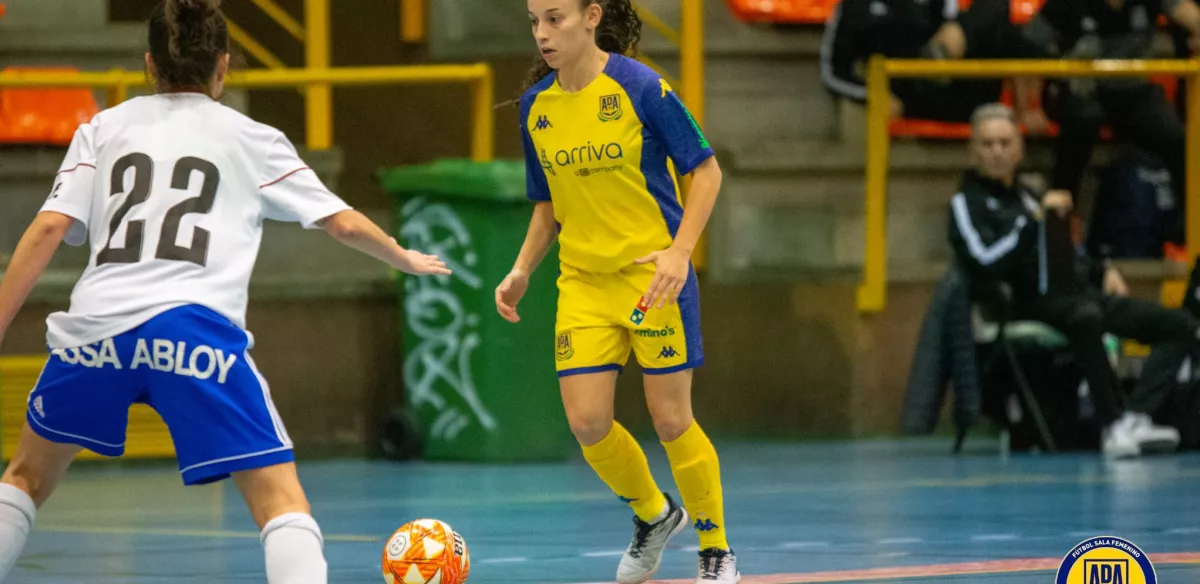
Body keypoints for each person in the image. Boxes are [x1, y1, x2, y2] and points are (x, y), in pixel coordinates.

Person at [0, 1, 450, 582]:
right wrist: (401, 255)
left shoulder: (102, 127)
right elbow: (340, 222)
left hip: (94, 334)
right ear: (224, 66)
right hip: (193, 335)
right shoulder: (252, 137)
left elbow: (48, 229)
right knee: (280, 505)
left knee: (24, 481)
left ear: (147, 64)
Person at [495, 1, 736, 582]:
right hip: (581, 283)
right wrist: (523, 267)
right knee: (587, 423)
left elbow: (706, 172)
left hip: (651, 279)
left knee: (671, 418)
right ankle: (655, 516)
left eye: (554, 18)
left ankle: (715, 550)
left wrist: (680, 253)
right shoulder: (536, 108)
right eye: (534, 21)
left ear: (591, 16)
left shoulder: (642, 87)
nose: (542, 33)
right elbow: (548, 204)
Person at [947, 102, 1194, 459]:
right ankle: (1111, 425)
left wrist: (1103, 269)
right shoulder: (967, 203)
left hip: (1073, 294)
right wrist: (1033, 222)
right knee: (1085, 317)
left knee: (1177, 324)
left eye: (1005, 143)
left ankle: (1135, 416)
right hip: (1020, 301)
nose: (997, 152)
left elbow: (1071, 250)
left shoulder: (1030, 193)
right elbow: (985, 261)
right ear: (972, 151)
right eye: (988, 144)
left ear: (1019, 149)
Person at [1026, 0, 1200, 243]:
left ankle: (1188, 223)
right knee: (1083, 120)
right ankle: (1061, 215)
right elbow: (1028, 46)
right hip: (1078, 89)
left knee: (1175, 135)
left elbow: (1188, 13)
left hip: (1131, 89)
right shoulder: (1063, 4)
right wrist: (1029, 108)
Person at [820, 0, 1049, 125]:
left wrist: (956, 31)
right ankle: (936, 57)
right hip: (907, 96)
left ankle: (940, 52)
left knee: (993, 10)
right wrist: (872, 95)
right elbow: (832, 72)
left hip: (956, 84)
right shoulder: (852, 6)